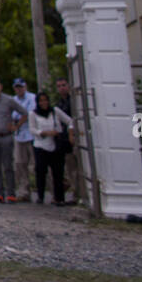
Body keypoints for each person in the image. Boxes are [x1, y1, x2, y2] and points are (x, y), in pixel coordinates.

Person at [29, 92, 73, 205]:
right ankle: (40, 196)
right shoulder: (33, 114)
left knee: (58, 173)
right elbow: (32, 129)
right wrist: (43, 132)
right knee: (41, 172)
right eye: (41, 101)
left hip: (56, 145)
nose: (44, 103)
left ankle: (59, 197)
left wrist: (70, 133)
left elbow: (70, 121)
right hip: (40, 145)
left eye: (45, 100)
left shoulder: (55, 111)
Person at [9, 77, 37, 201]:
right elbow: (11, 115)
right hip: (19, 136)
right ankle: (24, 192)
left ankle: (50, 189)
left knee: (38, 164)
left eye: (21, 87)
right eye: (17, 87)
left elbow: (28, 114)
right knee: (20, 164)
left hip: (32, 134)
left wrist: (17, 125)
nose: (19, 89)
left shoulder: (32, 98)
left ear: (25, 87)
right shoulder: (13, 100)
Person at [54, 75, 80, 204]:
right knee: (70, 169)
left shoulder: (74, 102)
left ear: (68, 86)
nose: (62, 88)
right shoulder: (59, 104)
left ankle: (79, 195)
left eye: (63, 85)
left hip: (76, 137)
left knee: (77, 168)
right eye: (59, 86)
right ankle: (75, 193)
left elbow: (74, 120)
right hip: (64, 140)